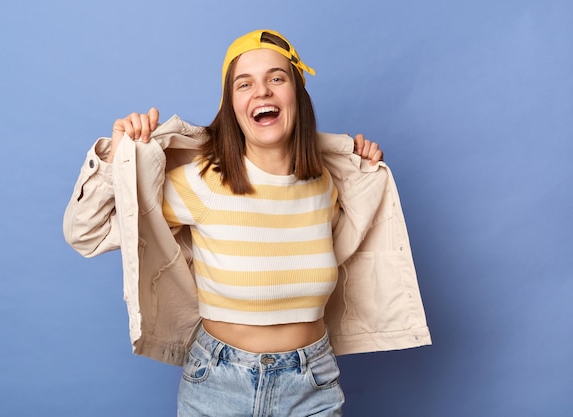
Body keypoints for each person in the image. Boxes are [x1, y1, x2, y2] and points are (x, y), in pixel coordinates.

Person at [64, 29, 430, 416]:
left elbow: (355, 250)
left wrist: (361, 168)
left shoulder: (328, 184)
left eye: (276, 78)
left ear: (297, 96)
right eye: (245, 83)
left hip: (313, 383)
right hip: (219, 385)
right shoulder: (203, 182)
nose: (262, 92)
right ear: (232, 105)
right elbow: (86, 234)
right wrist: (114, 159)